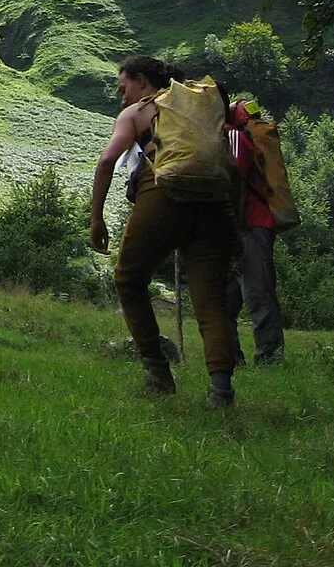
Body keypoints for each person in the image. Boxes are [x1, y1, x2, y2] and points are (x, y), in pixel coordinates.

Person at [88, 55, 242, 406]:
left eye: (123, 87)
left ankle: (157, 370)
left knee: (128, 278)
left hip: (163, 196)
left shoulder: (140, 111)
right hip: (214, 206)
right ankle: (221, 388)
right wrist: (236, 234)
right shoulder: (199, 109)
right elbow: (231, 172)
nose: (122, 97)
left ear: (141, 81)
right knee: (211, 301)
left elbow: (106, 160)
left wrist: (96, 217)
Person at [225, 98, 285, 366]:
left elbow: (235, 178)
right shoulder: (241, 134)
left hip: (249, 226)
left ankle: (269, 359)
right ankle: (233, 358)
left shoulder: (235, 136)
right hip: (244, 226)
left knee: (257, 296)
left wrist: (234, 230)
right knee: (225, 300)